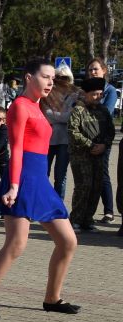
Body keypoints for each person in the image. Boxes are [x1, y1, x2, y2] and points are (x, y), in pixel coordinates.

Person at [0, 59, 79, 321]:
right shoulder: (20, 106)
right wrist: (15, 186)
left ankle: (52, 298)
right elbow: (16, 148)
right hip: (21, 180)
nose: (50, 82)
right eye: (45, 77)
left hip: (39, 181)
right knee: (16, 244)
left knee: (67, 242)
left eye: (53, 78)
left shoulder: (36, 106)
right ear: (29, 78)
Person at [67, 77, 115, 231]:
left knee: (96, 186)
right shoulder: (78, 110)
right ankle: (75, 219)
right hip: (81, 156)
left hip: (99, 155)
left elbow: (111, 131)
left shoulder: (103, 111)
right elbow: (73, 132)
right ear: (86, 94)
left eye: (100, 94)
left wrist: (104, 145)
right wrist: (90, 145)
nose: (98, 97)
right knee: (84, 186)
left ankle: (88, 219)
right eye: (94, 94)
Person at [85, 58, 117, 224]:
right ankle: (85, 213)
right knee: (87, 176)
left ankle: (109, 211)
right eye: (90, 70)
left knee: (102, 173)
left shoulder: (110, 91)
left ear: (104, 71)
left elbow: (107, 111)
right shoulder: (84, 90)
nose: (92, 72)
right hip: (87, 139)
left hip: (103, 138)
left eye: (96, 69)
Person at [42, 65, 77, 201]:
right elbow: (46, 114)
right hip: (47, 139)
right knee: (43, 174)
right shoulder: (47, 93)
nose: (62, 80)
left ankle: (57, 207)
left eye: (65, 77)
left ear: (70, 79)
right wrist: (62, 115)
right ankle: (42, 202)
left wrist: (56, 115)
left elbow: (70, 117)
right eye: (58, 78)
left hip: (65, 141)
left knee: (60, 176)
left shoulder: (74, 95)